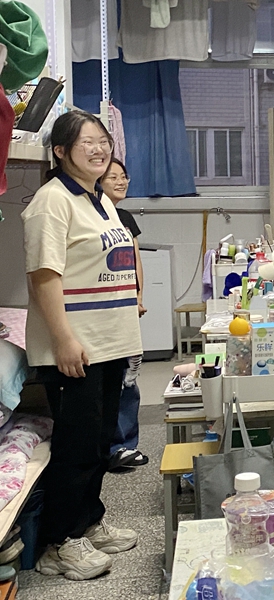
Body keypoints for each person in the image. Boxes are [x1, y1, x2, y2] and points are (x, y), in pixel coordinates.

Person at [22, 111, 140, 580]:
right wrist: (64, 340)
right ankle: (59, 542)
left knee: (99, 441)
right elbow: (43, 276)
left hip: (109, 342)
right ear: (60, 151)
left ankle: (88, 522)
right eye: (86, 142)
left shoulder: (98, 198)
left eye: (103, 141)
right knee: (76, 447)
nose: (98, 149)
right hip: (76, 347)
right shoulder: (52, 201)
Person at [100, 158, 149, 469]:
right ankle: (115, 445)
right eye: (113, 177)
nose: (121, 182)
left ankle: (127, 443)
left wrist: (139, 296)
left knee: (130, 376)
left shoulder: (125, 217)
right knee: (116, 378)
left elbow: (135, 259)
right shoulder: (95, 216)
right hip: (107, 309)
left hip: (128, 305)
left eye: (124, 176)